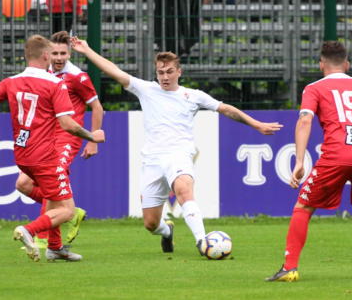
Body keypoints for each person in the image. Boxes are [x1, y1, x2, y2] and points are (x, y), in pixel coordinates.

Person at [70, 36, 283, 255]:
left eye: (169, 71)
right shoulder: (147, 89)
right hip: (152, 160)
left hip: (179, 154)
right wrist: (86, 50)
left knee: (183, 189)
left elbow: (226, 109)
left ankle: (202, 241)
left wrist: (256, 124)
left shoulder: (192, 96)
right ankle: (167, 231)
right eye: (161, 72)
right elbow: (114, 71)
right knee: (150, 224)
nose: (164, 76)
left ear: (179, 72)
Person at [0, 34, 105, 262]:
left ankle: (55, 247)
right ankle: (29, 230)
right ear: (46, 55)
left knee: (43, 193)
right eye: (53, 54)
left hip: (22, 155)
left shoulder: (11, 82)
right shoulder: (55, 83)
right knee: (67, 210)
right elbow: (67, 124)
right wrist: (92, 136)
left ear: (26, 56)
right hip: (46, 156)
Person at [266, 41, 352, 282]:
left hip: (337, 155)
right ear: (347, 64)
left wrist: (299, 160)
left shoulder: (314, 88)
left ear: (321, 64)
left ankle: (289, 267)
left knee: (303, 207)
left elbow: (304, 121)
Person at [15, 30, 104, 248]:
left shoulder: (77, 76)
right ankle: (69, 213)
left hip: (67, 138)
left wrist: (92, 140)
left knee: (50, 184)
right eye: (54, 53)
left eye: (63, 53)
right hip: (45, 138)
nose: (58, 58)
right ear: (47, 54)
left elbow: (96, 106)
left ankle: (44, 238)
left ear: (69, 54)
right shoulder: (43, 75)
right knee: (23, 184)